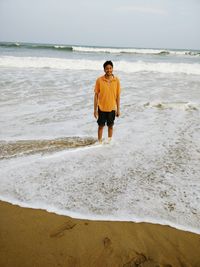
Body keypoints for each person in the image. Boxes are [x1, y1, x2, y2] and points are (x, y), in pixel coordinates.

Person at [94, 60, 121, 143]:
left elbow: (118, 96)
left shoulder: (116, 80)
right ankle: (99, 142)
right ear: (104, 70)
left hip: (112, 108)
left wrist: (118, 109)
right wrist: (95, 110)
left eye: (110, 68)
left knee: (110, 126)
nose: (109, 70)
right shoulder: (99, 80)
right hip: (101, 108)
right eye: (107, 68)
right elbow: (96, 95)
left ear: (112, 69)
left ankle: (109, 142)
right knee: (101, 126)